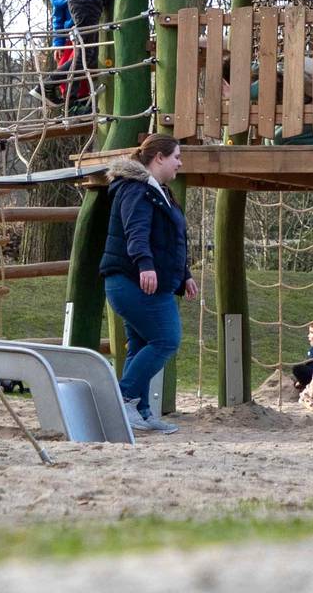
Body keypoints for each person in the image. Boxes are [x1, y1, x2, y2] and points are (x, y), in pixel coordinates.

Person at [101, 134, 195, 435]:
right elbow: (136, 230)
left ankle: (140, 411)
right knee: (167, 338)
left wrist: (185, 274)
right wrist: (145, 264)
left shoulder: (159, 191)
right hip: (132, 280)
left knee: (141, 344)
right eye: (176, 157)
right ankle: (123, 398)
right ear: (159, 158)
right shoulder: (136, 189)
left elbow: (171, 238)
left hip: (147, 281)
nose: (180, 163)